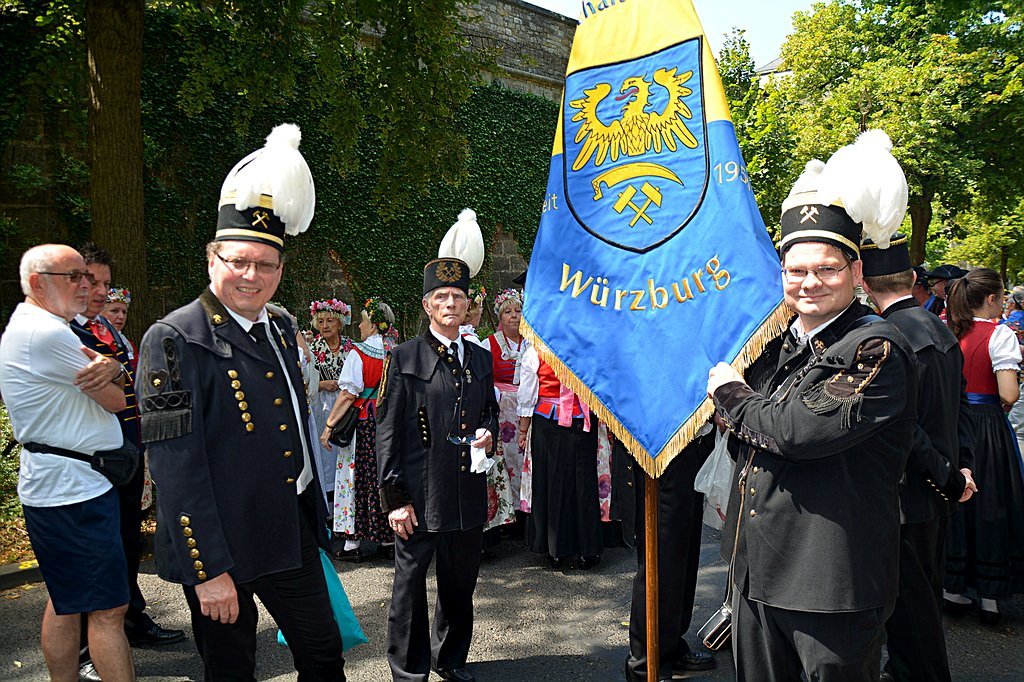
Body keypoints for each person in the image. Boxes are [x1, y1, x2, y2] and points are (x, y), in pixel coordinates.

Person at [706, 130, 918, 681]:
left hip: (831, 586)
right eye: (796, 270)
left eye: (826, 269)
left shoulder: (876, 347)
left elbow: (797, 431)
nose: (809, 283)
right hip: (757, 573)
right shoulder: (778, 344)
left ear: (856, 273)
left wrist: (729, 392)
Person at [137, 124, 346, 679]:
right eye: (238, 261)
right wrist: (207, 570)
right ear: (212, 261)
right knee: (231, 669)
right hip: (221, 542)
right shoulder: (174, 338)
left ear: (280, 270)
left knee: (324, 652)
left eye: (266, 264)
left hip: (287, 528)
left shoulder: (280, 327)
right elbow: (175, 467)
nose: (251, 275)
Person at [0, 244, 135, 681]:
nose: (84, 286)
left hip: (60, 484)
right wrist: (114, 369)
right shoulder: (48, 334)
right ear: (37, 283)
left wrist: (112, 366)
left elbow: (114, 379)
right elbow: (117, 400)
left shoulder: (32, 326)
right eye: (73, 277)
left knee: (66, 600)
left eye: (87, 277)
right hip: (74, 490)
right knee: (108, 610)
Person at [376, 211, 497, 682]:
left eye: (458, 297)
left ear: (468, 305)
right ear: (427, 305)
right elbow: (387, 431)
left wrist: (488, 432)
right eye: (441, 297)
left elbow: (487, 410)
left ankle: (451, 659)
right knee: (409, 587)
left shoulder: (480, 357)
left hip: (466, 492)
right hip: (419, 496)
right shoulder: (404, 356)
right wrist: (395, 499)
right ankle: (409, 671)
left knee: (460, 584)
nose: (450, 304)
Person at [860, 234, 976, 682]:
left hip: (907, 492)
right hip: (937, 488)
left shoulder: (887, 338)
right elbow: (961, 406)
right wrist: (962, 467)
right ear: (911, 278)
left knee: (911, 612)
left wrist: (949, 475)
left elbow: (903, 427)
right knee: (923, 598)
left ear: (864, 283)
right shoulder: (939, 326)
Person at [71, 244, 185, 680]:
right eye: (92, 281)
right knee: (94, 555)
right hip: (91, 461)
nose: (101, 292)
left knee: (125, 541)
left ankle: (131, 618)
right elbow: (115, 395)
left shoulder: (108, 331)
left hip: (126, 451)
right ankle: (87, 648)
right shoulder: (64, 333)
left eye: (105, 283)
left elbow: (133, 385)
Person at [943, 268, 1024, 625]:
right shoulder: (999, 334)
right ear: (991, 299)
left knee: (955, 500)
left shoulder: (947, 328)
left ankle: (952, 588)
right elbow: (1009, 394)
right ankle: (990, 597)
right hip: (986, 424)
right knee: (991, 503)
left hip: (951, 422)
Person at [623, 433, 717, 681]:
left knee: (683, 555)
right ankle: (646, 663)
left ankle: (670, 646)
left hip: (689, 442)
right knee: (662, 560)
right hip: (662, 446)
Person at [320, 297, 396, 562]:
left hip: (363, 423)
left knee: (354, 478)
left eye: (363, 321)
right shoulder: (396, 351)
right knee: (383, 476)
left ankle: (352, 544)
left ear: (373, 325)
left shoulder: (359, 352)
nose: (360, 326)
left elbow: (348, 394)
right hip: (387, 422)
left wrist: (329, 426)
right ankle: (388, 539)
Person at [516, 344, 603, 570]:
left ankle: (556, 549)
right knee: (583, 483)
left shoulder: (537, 349)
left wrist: (523, 430)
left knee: (552, 482)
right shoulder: (590, 346)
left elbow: (528, 392)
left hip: (549, 422)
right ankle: (587, 549)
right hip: (581, 421)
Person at [485, 288, 529, 517]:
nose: (514, 316)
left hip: (527, 409)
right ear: (500, 317)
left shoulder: (531, 343)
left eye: (518, 311)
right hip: (502, 410)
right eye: (508, 312)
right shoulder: (488, 344)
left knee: (526, 456)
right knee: (507, 457)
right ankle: (509, 509)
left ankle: (527, 506)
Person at [307, 298, 353, 517]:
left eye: (330, 321)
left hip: (346, 404)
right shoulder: (312, 348)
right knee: (325, 451)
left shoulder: (350, 347)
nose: (324, 325)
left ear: (340, 323)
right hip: (322, 404)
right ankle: (328, 501)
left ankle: (347, 499)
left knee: (345, 448)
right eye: (321, 321)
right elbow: (303, 379)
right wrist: (321, 384)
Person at [103, 286, 138, 373]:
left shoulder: (129, 344)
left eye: (124, 312)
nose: (121, 316)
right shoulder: (93, 341)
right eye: (115, 311)